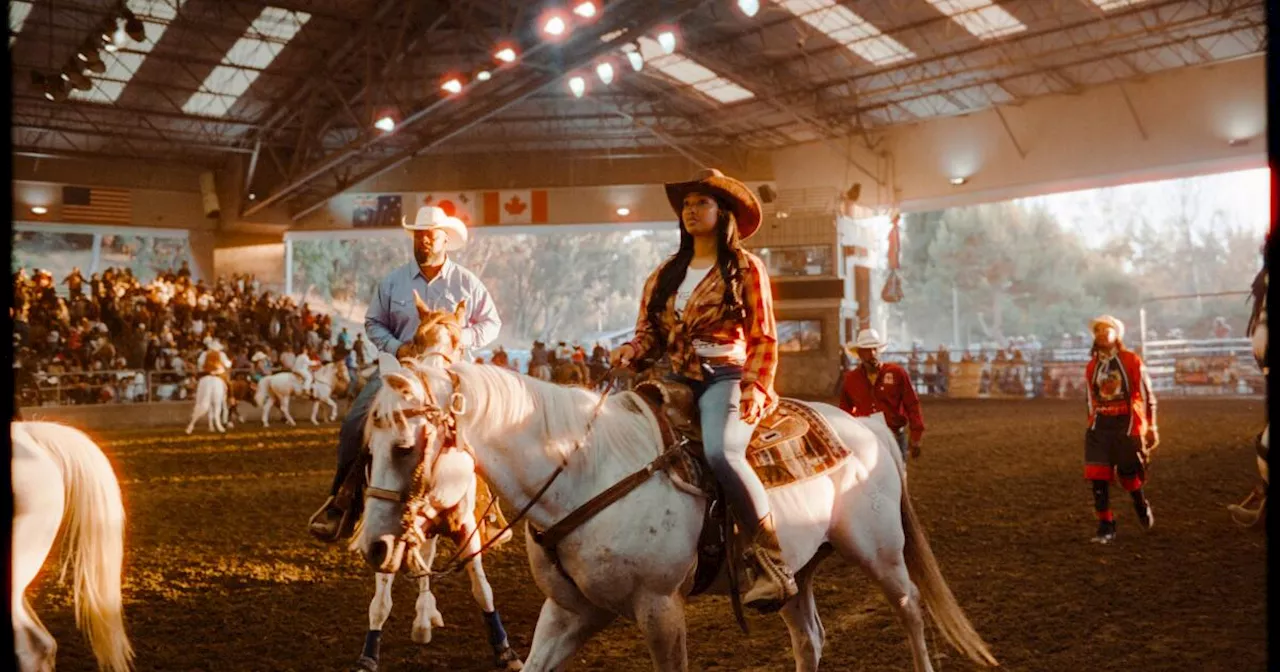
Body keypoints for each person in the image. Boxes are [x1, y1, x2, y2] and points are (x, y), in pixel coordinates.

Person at [609, 168, 794, 612]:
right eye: (687, 206)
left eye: (701, 204)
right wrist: (633, 350)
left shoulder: (746, 268)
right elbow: (648, 332)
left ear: (723, 213)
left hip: (725, 375)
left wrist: (753, 385)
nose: (691, 211)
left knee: (720, 452)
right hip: (673, 377)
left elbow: (764, 336)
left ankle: (771, 553)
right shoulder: (665, 274)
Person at [309, 205, 502, 542]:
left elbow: (491, 323)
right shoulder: (393, 282)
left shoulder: (467, 283)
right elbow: (373, 323)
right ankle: (343, 501)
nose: (423, 241)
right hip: (400, 371)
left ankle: (487, 510)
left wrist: (459, 338)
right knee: (356, 424)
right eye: (419, 235)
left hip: (451, 373)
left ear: (445, 240)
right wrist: (398, 347)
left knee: (484, 426)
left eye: (430, 236)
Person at [1084, 315, 1158, 544]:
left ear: (1117, 335)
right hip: (1100, 426)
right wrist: (1093, 421)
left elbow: (1147, 395)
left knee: (1129, 475)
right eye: (1098, 331)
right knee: (1098, 477)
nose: (1102, 334)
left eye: (1107, 330)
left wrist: (1151, 426)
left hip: (1127, 424)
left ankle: (1140, 502)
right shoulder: (1092, 366)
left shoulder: (1131, 360)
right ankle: (1106, 525)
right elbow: (1090, 399)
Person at [838, 328, 925, 461]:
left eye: (874, 349)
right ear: (860, 353)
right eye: (867, 350)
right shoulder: (851, 379)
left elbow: (912, 404)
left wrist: (916, 436)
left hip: (894, 435)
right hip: (866, 437)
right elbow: (845, 411)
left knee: (898, 475)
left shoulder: (897, 373)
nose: (872, 354)